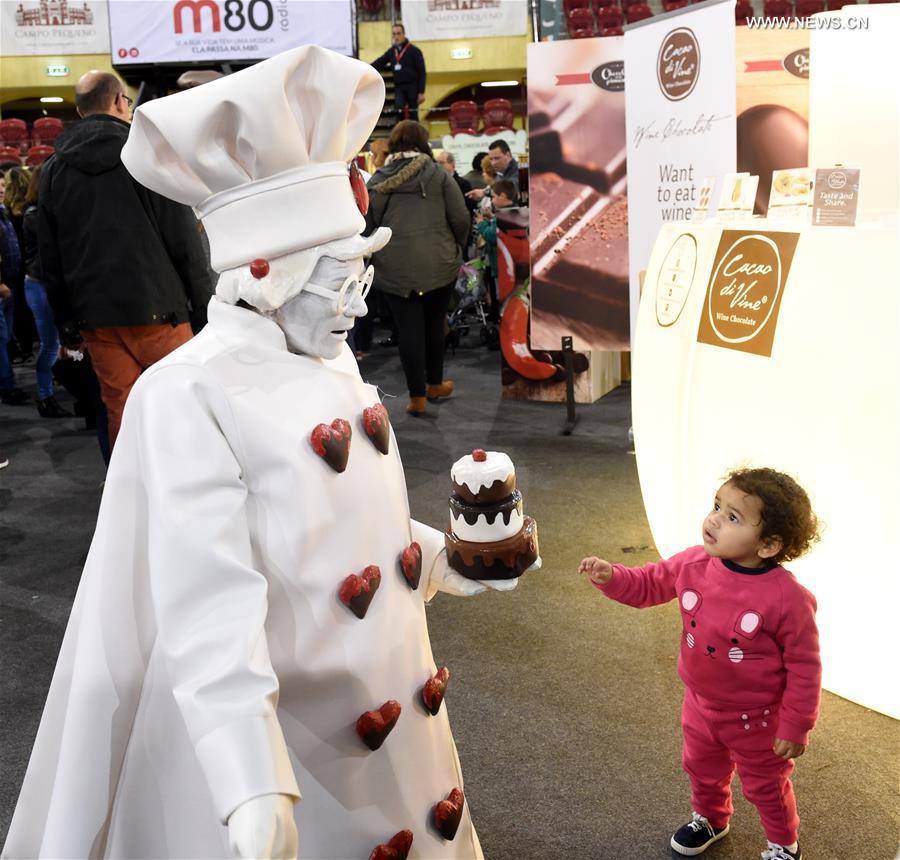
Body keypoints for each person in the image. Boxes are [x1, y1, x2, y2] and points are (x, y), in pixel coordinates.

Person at [2, 46, 524, 860]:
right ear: (265, 271)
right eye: (339, 275)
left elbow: (336, 530)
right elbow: (204, 596)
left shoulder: (329, 355)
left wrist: (438, 556)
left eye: (360, 271)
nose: (358, 298)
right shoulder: (189, 391)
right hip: (285, 741)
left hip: (387, 707)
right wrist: (248, 781)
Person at [579, 467, 821, 860]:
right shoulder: (693, 564)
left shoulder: (788, 599)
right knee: (701, 768)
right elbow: (648, 584)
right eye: (716, 506)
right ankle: (711, 818)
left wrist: (796, 725)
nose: (713, 519)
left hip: (757, 719)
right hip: (699, 702)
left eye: (732, 517)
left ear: (769, 545)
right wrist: (612, 576)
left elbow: (805, 668)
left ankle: (783, 845)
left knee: (765, 785)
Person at [38, 70, 212, 451]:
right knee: (182, 405)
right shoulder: (145, 154)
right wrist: (205, 304)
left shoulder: (52, 170)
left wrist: (66, 321)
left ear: (82, 110)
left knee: (123, 410)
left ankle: (132, 498)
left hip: (96, 317)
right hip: (160, 310)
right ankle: (185, 492)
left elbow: (50, 257)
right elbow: (181, 237)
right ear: (119, 101)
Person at [365, 120, 469, 415]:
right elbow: (460, 217)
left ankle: (417, 397)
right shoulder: (438, 174)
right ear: (423, 142)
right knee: (435, 324)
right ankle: (435, 383)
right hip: (439, 263)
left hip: (394, 268)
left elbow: (368, 224)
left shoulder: (378, 179)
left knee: (408, 330)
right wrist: (456, 247)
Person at [22, 164, 71, 418]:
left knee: (57, 344)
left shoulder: (43, 212)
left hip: (46, 284)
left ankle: (51, 390)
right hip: (39, 285)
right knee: (50, 346)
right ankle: (44, 397)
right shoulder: (34, 215)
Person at [0, 173, 28, 405]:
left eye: (2, 185)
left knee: (5, 338)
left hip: (10, 285)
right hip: (2, 288)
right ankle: (7, 385)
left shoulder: (4, 212)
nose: (0, 189)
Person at [474, 179, 516, 323]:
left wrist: (482, 223)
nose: (492, 200)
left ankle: (502, 326)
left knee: (501, 297)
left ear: (503, 196)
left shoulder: (503, 215)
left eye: (493, 196)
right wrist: (491, 219)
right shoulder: (514, 212)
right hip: (510, 265)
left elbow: (492, 236)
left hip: (500, 266)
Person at [370, 22, 426, 122]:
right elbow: (380, 62)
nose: (396, 36)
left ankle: (415, 136)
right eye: (394, 34)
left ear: (404, 34)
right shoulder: (391, 51)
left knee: (413, 113)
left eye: (398, 33)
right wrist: (366, 68)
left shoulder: (414, 51)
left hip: (412, 86)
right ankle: (401, 135)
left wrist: (421, 92)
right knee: (398, 110)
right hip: (399, 87)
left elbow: (422, 72)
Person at [465, 139, 519, 204]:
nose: (493, 163)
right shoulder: (500, 172)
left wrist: (484, 192)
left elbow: (509, 189)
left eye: (497, 158)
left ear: (508, 155)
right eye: (491, 159)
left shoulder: (520, 171)